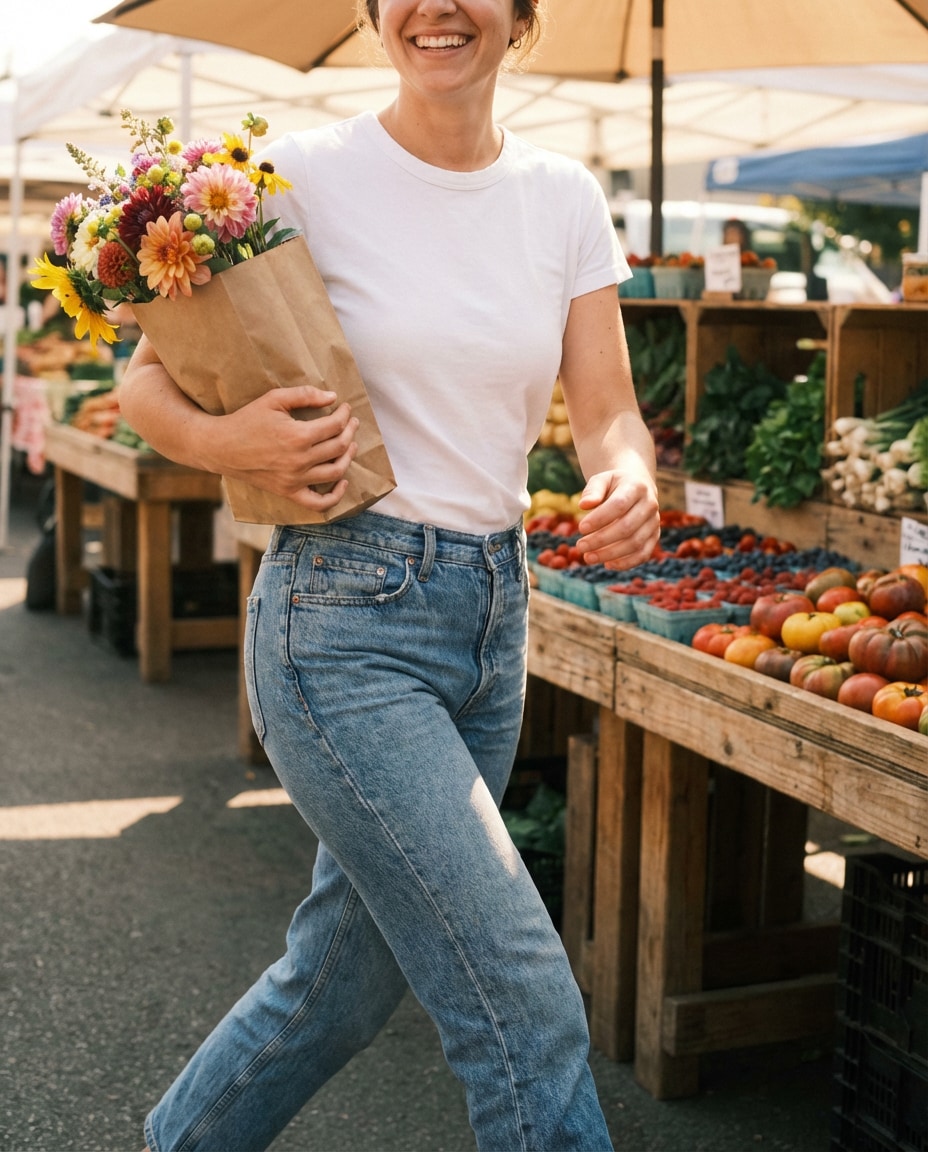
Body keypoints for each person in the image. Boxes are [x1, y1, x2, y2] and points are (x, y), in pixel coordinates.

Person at [119, 0, 660, 1148]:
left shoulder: (563, 197)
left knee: (340, 985)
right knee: (520, 994)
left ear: (520, 16)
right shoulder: (295, 178)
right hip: (340, 616)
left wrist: (629, 478)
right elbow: (143, 387)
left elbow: (608, 411)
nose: (436, 5)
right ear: (373, 16)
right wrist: (233, 443)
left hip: (493, 620)